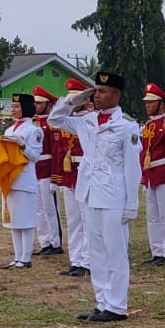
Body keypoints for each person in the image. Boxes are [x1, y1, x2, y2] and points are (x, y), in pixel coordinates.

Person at [48, 71, 142, 323]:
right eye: (95, 91)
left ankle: (117, 305)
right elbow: (54, 120)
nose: (97, 96)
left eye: (102, 91)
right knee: (96, 251)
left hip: (114, 195)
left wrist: (131, 204)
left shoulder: (127, 127)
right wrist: (75, 99)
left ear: (117, 95)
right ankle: (101, 302)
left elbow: (133, 169)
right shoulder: (86, 120)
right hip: (89, 192)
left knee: (115, 251)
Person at [0, 93, 45, 269]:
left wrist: (23, 146)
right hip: (9, 178)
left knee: (26, 220)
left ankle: (26, 257)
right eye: (13, 106)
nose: (14, 110)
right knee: (14, 221)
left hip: (24, 179)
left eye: (17, 106)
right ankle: (17, 257)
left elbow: (36, 156)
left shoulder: (34, 130)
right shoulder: (9, 130)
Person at [51, 78, 92, 278]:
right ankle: (76, 260)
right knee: (74, 220)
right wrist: (68, 103)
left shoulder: (90, 119)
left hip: (84, 171)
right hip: (69, 174)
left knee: (87, 219)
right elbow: (53, 120)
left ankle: (88, 260)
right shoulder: (69, 120)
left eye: (76, 98)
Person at [139, 83, 165, 267]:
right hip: (151, 174)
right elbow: (143, 153)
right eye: (147, 102)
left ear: (162, 104)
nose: (148, 105)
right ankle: (156, 250)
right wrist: (143, 178)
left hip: (164, 173)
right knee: (152, 216)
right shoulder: (148, 125)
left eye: (152, 102)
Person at [30, 86, 65, 256]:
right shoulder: (33, 123)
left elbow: (57, 151)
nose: (35, 105)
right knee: (38, 208)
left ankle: (56, 242)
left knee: (50, 208)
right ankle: (44, 241)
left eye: (39, 103)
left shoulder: (53, 124)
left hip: (47, 169)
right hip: (35, 169)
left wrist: (55, 176)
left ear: (48, 104)